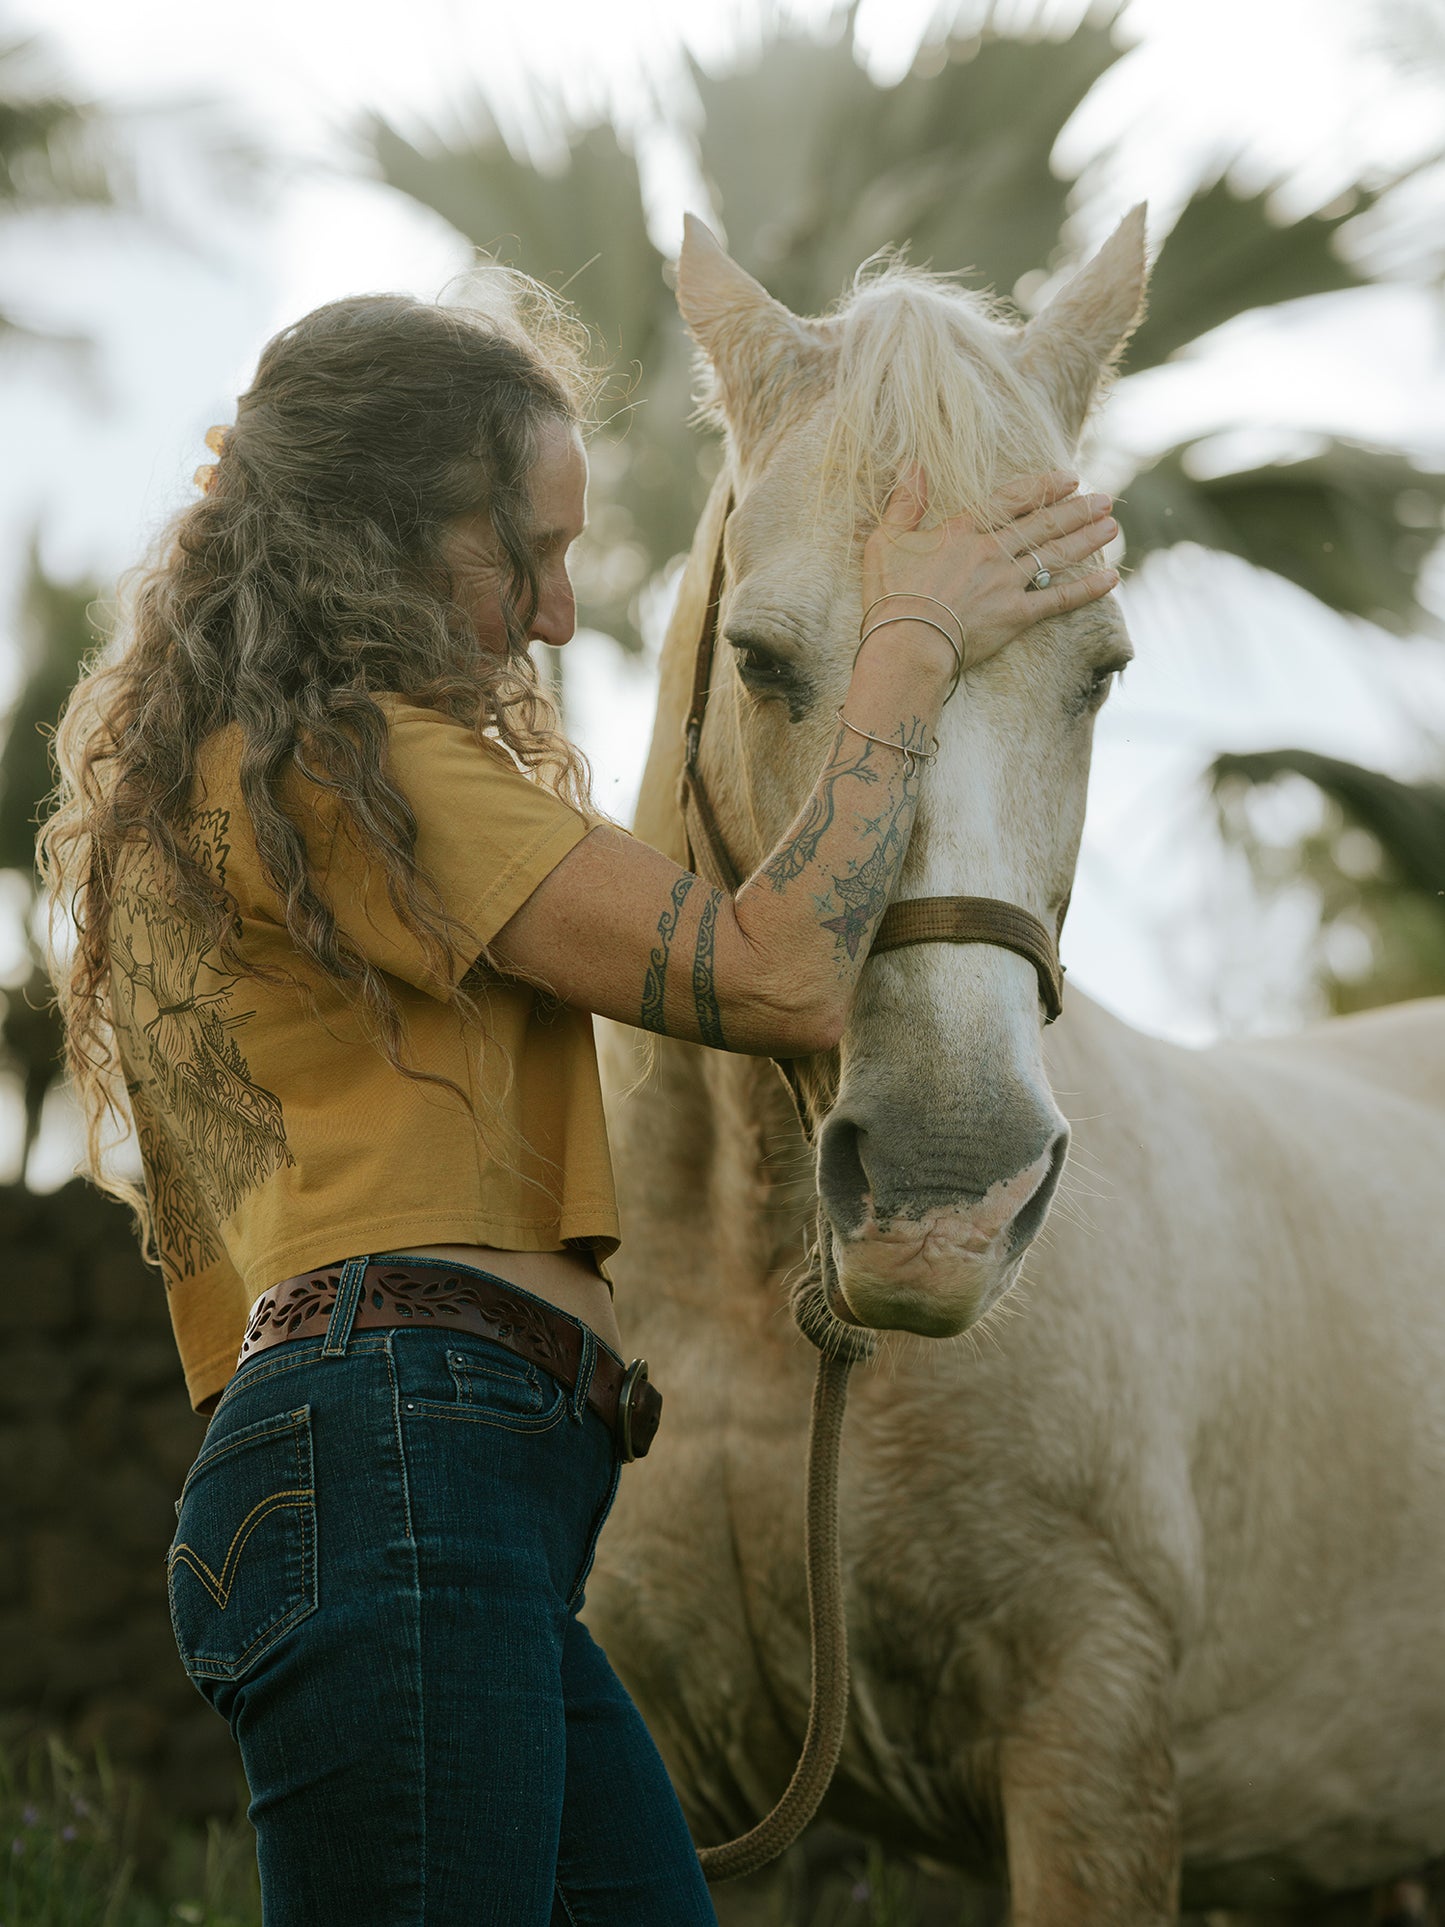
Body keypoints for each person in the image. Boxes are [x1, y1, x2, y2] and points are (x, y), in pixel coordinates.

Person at [38, 270, 1118, 1926]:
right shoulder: (362, 761)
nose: (555, 615)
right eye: (526, 553)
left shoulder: (271, 765)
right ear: (385, 537)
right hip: (407, 1461)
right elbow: (775, 973)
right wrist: (905, 645)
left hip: (434, 1476)